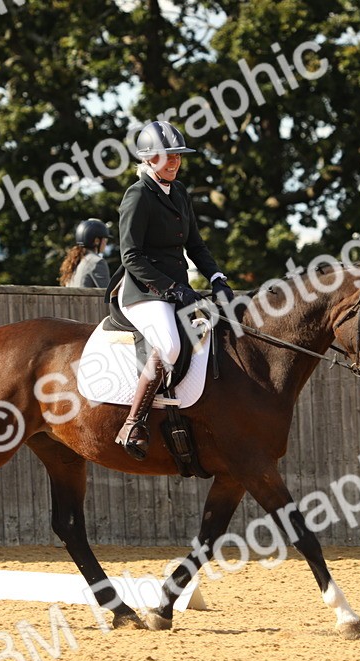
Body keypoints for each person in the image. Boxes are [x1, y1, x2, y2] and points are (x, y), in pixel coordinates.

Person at [111, 120, 234, 459]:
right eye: (167, 156)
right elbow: (130, 256)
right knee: (169, 344)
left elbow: (195, 245)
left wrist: (217, 278)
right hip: (143, 291)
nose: (174, 162)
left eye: (178, 156)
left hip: (177, 289)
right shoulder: (138, 195)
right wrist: (172, 289)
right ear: (148, 159)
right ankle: (132, 423)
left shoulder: (179, 192)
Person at [59, 219, 111, 288]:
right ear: (97, 241)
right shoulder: (97, 262)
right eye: (105, 239)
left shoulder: (76, 261)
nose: (105, 243)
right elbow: (108, 292)